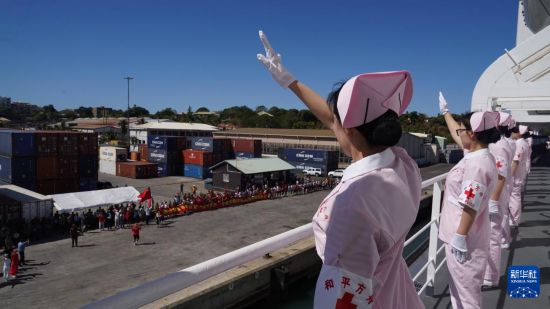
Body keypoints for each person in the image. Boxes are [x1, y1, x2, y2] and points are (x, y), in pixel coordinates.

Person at [257, 31, 423, 308]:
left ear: (350, 131)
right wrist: (290, 82)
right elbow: (338, 120)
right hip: (396, 292)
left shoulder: (351, 205)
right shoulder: (404, 164)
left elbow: (344, 297)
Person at [437, 93, 499, 308]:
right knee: (461, 292)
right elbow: (457, 132)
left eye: (463, 130)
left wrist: (460, 237)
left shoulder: (477, 165)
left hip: (463, 240)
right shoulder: (478, 155)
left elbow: (470, 204)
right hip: (465, 236)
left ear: (472, 134)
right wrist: (446, 112)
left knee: (467, 296)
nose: (459, 133)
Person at [483, 112, 514, 287]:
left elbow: (500, 175)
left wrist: (493, 201)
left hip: (496, 194)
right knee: (492, 234)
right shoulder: (502, 144)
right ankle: (489, 273)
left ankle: (490, 276)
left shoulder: (499, 146)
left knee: (492, 235)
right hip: (497, 193)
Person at [509, 124, 529, 228]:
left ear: (518, 133)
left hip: (515, 176)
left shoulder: (519, 144)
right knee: (515, 197)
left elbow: (515, 161)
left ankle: (514, 220)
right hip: (519, 174)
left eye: (513, 131)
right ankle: (515, 219)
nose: (511, 133)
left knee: (514, 198)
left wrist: (509, 176)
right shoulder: (524, 143)